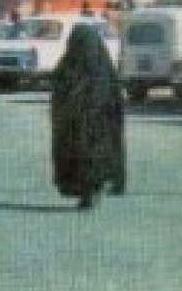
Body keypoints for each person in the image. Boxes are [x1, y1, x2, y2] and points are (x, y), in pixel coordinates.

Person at [49, 22, 127, 210]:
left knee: (88, 156)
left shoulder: (76, 66)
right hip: (88, 127)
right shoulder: (101, 67)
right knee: (88, 157)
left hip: (89, 125)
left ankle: (90, 192)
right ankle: (89, 191)